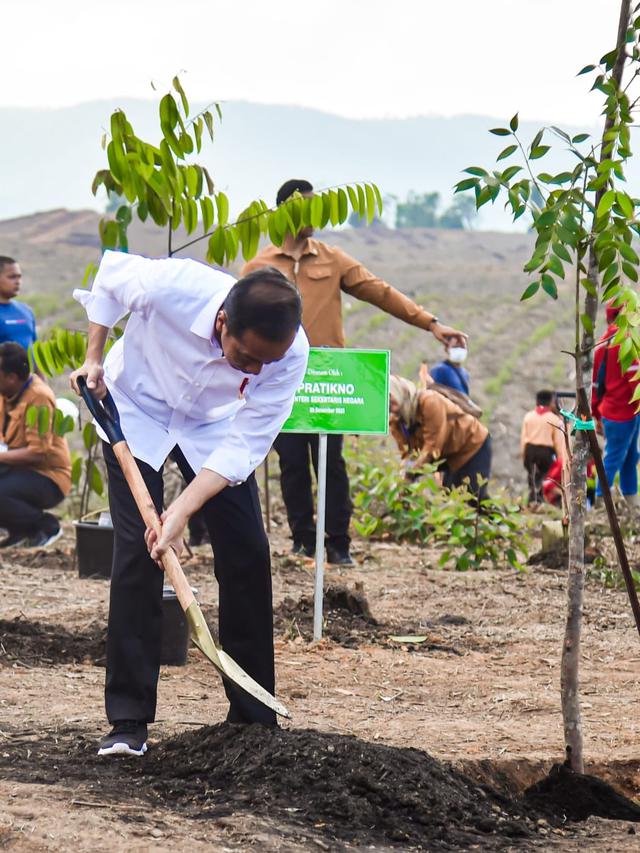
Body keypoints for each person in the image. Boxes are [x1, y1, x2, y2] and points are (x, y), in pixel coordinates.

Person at [70, 250, 308, 757]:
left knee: (247, 551)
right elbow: (110, 278)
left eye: (263, 364)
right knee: (138, 553)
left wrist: (179, 513)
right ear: (222, 322)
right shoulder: (172, 286)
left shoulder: (290, 354)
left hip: (213, 427)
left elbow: (245, 443)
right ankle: (128, 722)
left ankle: (253, 718)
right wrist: (94, 356)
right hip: (136, 409)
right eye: (246, 357)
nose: (254, 369)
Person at [241, 179, 467, 565]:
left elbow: (380, 291)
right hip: (279, 380)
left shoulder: (333, 259)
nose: (316, 215)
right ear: (285, 211)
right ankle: (302, 540)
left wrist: (431, 323)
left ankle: (338, 543)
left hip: (327, 379)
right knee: (291, 463)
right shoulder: (258, 266)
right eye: (307, 207)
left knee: (331, 461)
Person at [0, 342, 70, 548]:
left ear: (11, 377)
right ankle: (20, 531)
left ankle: (47, 526)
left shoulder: (39, 396)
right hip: (18, 468)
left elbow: (38, 452)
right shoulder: (6, 393)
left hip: (48, 476)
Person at [388, 374, 491, 501]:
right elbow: (407, 454)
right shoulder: (396, 421)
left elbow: (433, 447)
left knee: (474, 496)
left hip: (472, 444)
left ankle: (498, 514)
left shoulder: (429, 402)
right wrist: (402, 478)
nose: (388, 402)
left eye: (390, 395)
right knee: (451, 496)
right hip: (449, 454)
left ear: (398, 391)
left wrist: (410, 474)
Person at [591, 300, 640, 508]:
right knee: (614, 459)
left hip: (610, 411)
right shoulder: (627, 341)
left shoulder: (603, 343)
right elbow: (635, 379)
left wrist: (595, 412)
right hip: (625, 412)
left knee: (629, 457)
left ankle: (632, 503)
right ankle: (601, 504)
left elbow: (595, 383)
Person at [520, 390, 565, 506]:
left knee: (532, 475)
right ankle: (540, 500)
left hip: (530, 449)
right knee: (544, 476)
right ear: (551, 402)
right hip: (546, 452)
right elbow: (558, 441)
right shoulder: (554, 419)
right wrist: (560, 458)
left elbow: (523, 438)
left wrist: (523, 455)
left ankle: (533, 500)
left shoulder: (528, 416)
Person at [0, 257, 37, 352]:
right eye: (12, 277)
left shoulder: (26, 311)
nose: (18, 282)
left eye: (19, 277)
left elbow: (35, 348)